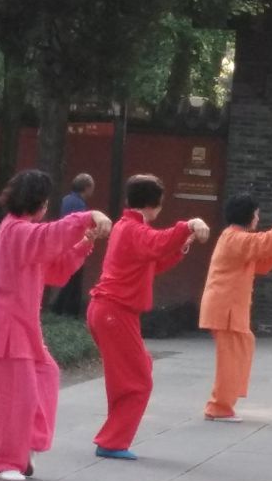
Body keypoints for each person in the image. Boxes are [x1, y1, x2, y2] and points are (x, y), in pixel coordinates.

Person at [0, 169, 111, 480]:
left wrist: (83, 243)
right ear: (39, 203)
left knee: (45, 376)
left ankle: (24, 447)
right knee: (16, 398)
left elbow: (54, 269)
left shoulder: (22, 233)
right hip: (7, 326)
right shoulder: (16, 231)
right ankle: (5, 461)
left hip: (20, 326)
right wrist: (86, 217)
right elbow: (49, 238)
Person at [88, 174, 210, 459]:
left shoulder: (126, 227)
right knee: (138, 381)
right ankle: (112, 441)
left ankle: (112, 438)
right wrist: (188, 225)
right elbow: (158, 243)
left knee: (134, 372)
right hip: (115, 311)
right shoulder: (133, 229)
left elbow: (153, 261)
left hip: (110, 311)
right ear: (155, 204)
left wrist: (183, 241)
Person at [198, 194, 272, 422]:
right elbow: (264, 243)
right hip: (226, 308)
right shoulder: (235, 238)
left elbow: (259, 263)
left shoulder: (234, 238)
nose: (257, 218)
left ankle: (222, 403)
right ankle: (219, 407)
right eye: (256, 214)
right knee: (230, 359)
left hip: (227, 307)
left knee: (240, 349)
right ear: (249, 216)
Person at [50, 174, 95, 317]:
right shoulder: (79, 204)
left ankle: (59, 308)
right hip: (74, 246)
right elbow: (80, 226)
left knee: (69, 278)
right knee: (74, 278)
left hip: (62, 244)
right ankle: (68, 310)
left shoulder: (65, 200)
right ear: (86, 188)